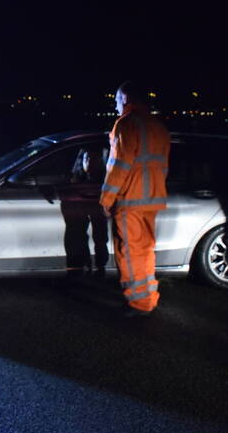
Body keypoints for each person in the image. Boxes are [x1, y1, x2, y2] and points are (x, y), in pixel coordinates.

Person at [99, 81, 171, 316]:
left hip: (130, 199)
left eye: (117, 99)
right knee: (145, 250)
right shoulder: (157, 126)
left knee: (129, 253)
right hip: (152, 199)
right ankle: (148, 299)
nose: (116, 105)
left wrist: (106, 199)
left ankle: (138, 303)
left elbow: (118, 166)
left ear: (127, 99)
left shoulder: (126, 125)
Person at [60, 145, 110, 278]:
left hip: (98, 200)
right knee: (80, 234)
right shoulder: (78, 157)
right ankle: (86, 265)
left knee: (100, 235)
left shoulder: (106, 156)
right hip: (82, 199)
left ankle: (100, 267)